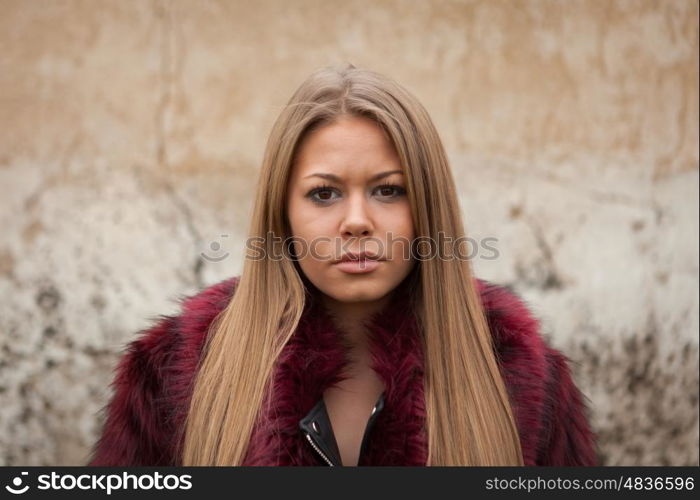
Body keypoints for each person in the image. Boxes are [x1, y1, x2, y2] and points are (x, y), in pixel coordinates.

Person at [87, 64, 597, 466]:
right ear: (281, 214)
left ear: (428, 208)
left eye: (388, 190)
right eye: (324, 193)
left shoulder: (522, 373)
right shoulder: (174, 371)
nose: (357, 222)